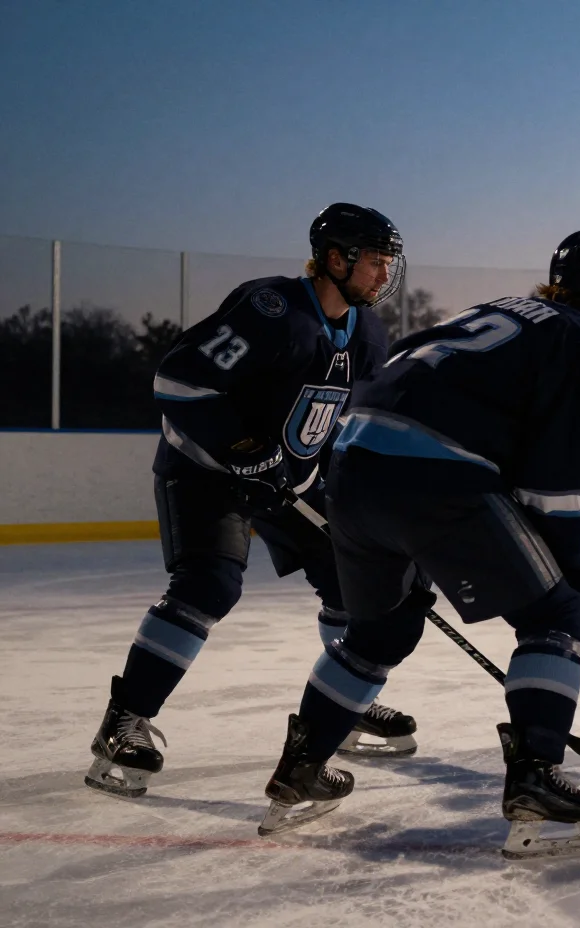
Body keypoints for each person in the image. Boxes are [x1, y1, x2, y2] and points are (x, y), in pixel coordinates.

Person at [256, 231, 580, 860]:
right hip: (433, 474)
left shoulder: (496, 312)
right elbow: (558, 486)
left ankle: (301, 766)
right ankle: (535, 781)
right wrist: (569, 576)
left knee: (378, 634)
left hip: (352, 468)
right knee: (555, 616)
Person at [85, 203, 415, 799]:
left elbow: (339, 421)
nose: (384, 273)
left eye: (388, 261)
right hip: (206, 470)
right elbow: (178, 381)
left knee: (353, 581)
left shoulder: (366, 333)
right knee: (209, 585)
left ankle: (344, 707)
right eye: (374, 260)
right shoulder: (273, 311)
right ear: (335, 258)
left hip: (286, 479)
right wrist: (241, 447)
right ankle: (124, 721)